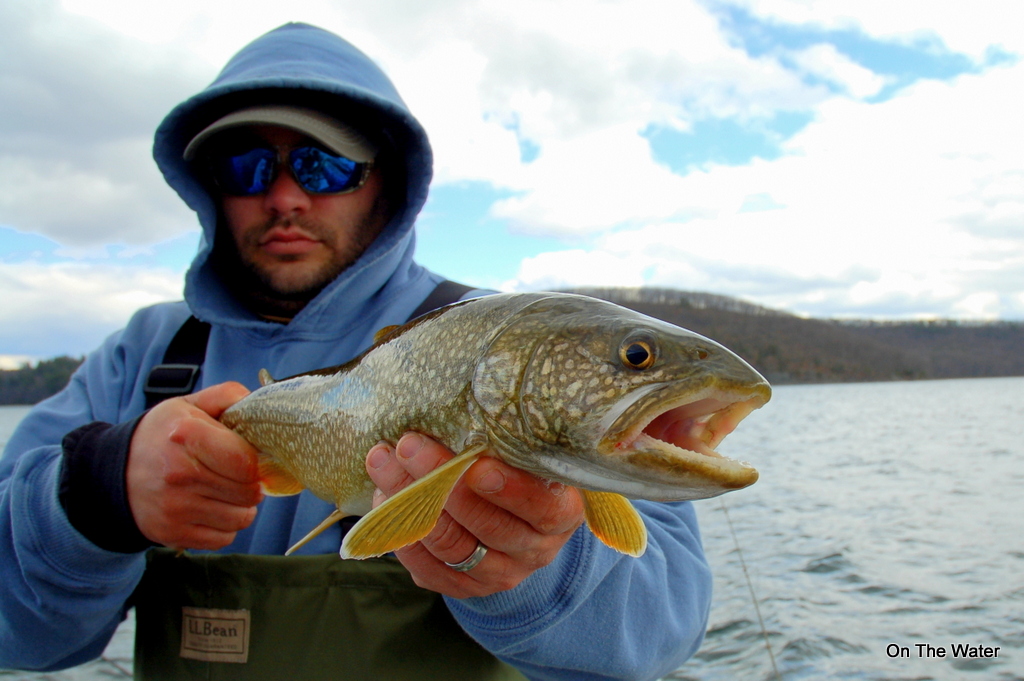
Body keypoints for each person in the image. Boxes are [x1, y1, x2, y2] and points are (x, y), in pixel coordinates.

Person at [0, 23, 712, 680]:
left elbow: (660, 631)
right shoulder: (141, 357)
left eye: (323, 164)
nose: (284, 196)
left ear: (385, 178)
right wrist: (97, 494)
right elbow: (20, 637)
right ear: (208, 189)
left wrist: (538, 565)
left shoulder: (494, 334)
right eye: (245, 166)